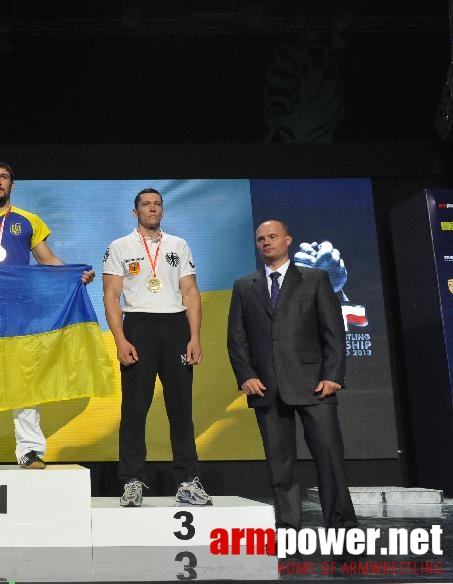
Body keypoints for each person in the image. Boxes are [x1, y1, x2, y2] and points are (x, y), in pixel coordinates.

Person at [0, 161, 94, 470]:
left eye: (3, 177)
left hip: (21, 312)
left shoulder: (28, 220)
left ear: (12, 185)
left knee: (25, 380)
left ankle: (30, 451)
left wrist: (74, 275)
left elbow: (46, 258)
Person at [227, 219, 357, 530]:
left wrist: (333, 375)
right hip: (266, 389)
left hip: (315, 386)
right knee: (279, 467)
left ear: (288, 240)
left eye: (272, 236)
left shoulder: (314, 279)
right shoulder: (245, 285)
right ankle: (288, 529)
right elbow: (237, 338)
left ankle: (342, 529)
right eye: (260, 239)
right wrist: (246, 375)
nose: (266, 242)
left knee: (330, 463)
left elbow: (333, 333)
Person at [102, 188, 210, 507]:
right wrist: (121, 340)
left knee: (181, 409)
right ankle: (132, 481)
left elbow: (190, 292)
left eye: (157, 204)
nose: (152, 209)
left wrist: (194, 337)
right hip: (138, 326)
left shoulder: (178, 245)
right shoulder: (119, 246)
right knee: (135, 409)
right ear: (135, 212)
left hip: (176, 327)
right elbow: (111, 297)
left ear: (162, 210)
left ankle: (188, 481)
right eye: (146, 205)